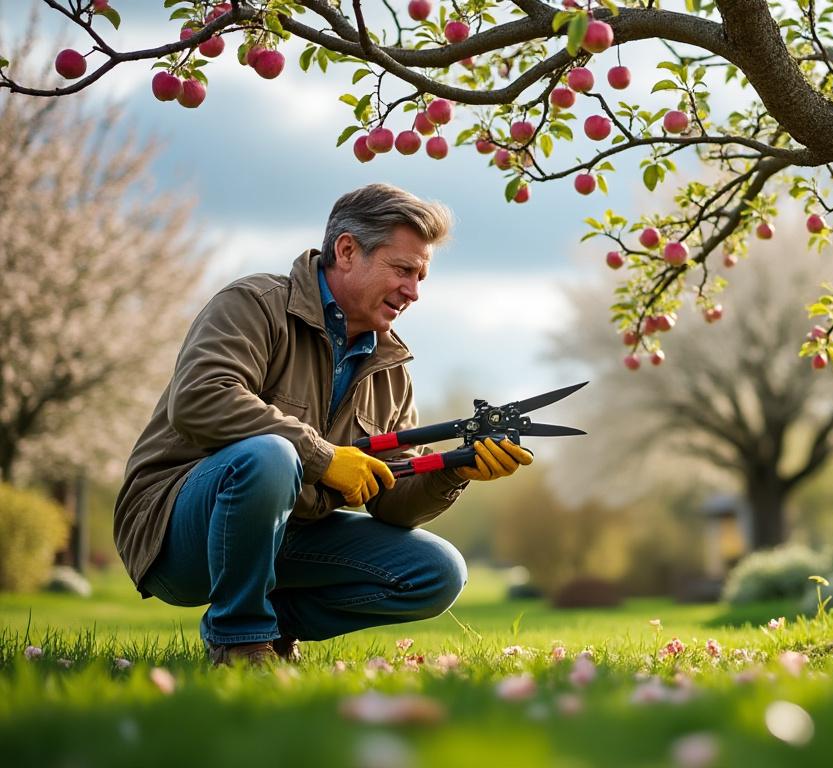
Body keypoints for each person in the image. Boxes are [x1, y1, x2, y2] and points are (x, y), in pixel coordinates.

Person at [113, 183, 533, 666]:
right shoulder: (254, 303)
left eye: (421, 276)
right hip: (176, 533)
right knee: (270, 454)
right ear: (347, 250)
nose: (414, 292)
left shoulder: (391, 368)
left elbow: (391, 502)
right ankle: (239, 641)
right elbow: (198, 399)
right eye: (403, 270)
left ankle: (273, 627)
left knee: (439, 571)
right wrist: (323, 457)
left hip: (289, 535)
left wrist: (452, 472)